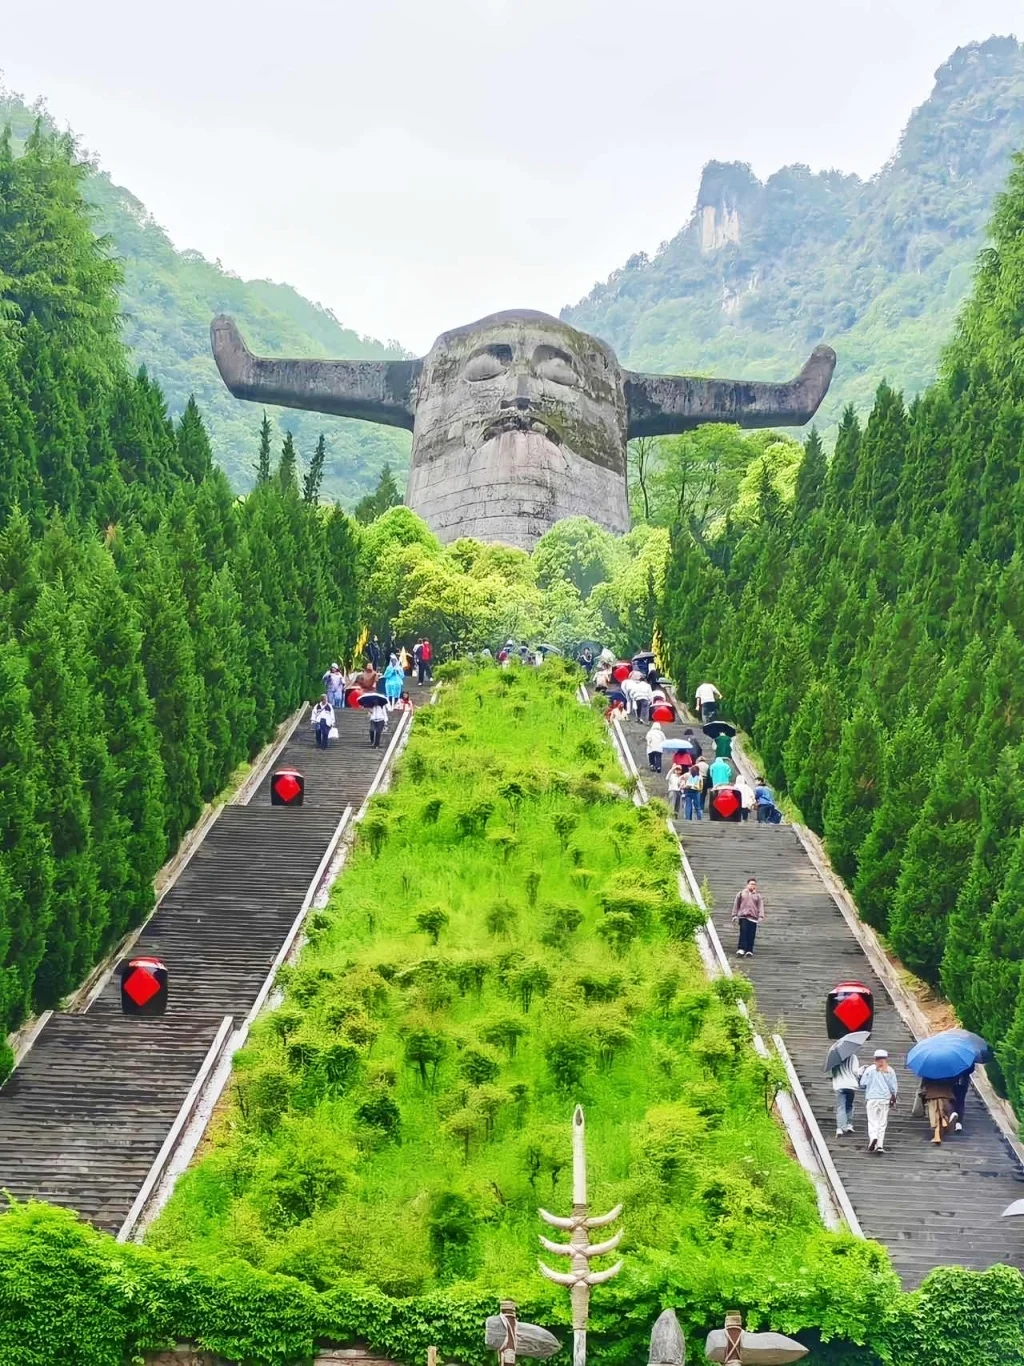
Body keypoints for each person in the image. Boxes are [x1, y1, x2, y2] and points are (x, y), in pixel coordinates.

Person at [859, 1049, 898, 1153]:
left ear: (875, 1058)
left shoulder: (870, 1069)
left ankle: (873, 1137)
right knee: (882, 1122)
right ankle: (880, 1145)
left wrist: (861, 1074)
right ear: (886, 1059)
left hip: (872, 1098)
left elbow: (862, 1084)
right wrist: (894, 1097)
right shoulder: (890, 1070)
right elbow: (893, 1087)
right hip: (885, 1099)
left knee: (872, 1121)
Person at [831, 1049, 862, 1137]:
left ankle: (840, 1128)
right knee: (849, 1105)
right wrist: (861, 1071)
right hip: (850, 1084)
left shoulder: (834, 1058)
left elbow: (832, 1072)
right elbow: (855, 1071)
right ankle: (849, 1124)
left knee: (841, 1106)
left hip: (839, 1084)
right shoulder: (853, 1056)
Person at [731, 876, 764, 956]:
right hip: (743, 916)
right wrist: (734, 915)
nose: (753, 886)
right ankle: (741, 948)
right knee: (743, 931)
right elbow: (736, 904)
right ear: (747, 885)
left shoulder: (757, 896)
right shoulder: (741, 893)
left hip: (753, 917)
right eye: (751, 884)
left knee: (751, 934)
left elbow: (760, 906)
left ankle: (749, 950)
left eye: (754, 884)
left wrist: (761, 916)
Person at [917, 1078, 955, 1145]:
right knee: (943, 1110)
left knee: (934, 1114)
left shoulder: (928, 1071)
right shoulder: (948, 1072)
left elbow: (923, 1085)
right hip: (945, 1094)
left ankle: (936, 1135)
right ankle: (944, 1119)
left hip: (932, 1094)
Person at [950, 1062, 974, 1133]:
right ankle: (958, 1122)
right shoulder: (966, 1058)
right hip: (963, 1083)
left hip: (951, 1082)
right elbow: (971, 1069)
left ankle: (951, 1115)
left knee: (951, 1100)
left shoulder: (949, 1058)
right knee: (960, 1102)